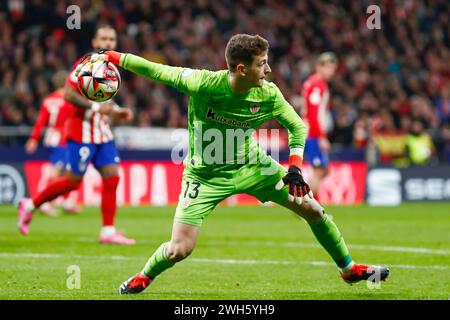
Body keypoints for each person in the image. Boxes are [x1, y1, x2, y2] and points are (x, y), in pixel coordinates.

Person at [79, 34, 389, 294]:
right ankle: (144, 276)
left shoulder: (268, 94)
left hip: (252, 165)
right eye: (262, 64)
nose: (267, 69)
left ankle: (348, 269)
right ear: (241, 69)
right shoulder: (203, 84)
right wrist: (111, 56)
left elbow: (297, 127)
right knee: (179, 249)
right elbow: (156, 70)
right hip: (205, 175)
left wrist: (294, 166)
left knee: (314, 210)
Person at [17, 24, 135, 245]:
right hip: (81, 132)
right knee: (72, 182)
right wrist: (98, 109)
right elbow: (69, 94)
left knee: (112, 177)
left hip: (102, 132)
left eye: (112, 39)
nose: (108, 43)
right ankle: (30, 204)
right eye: (104, 39)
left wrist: (117, 112)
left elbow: (102, 98)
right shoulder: (87, 63)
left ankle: (107, 231)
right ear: (95, 43)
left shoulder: (112, 67)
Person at [25, 70, 81, 216]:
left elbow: (41, 121)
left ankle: (66, 201)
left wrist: (34, 138)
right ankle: (44, 202)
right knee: (58, 170)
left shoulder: (49, 99)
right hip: (64, 137)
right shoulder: (70, 99)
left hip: (53, 137)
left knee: (66, 170)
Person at [301, 52, 338, 199]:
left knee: (324, 170)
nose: (331, 72)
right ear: (319, 67)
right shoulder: (317, 84)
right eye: (329, 68)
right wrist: (321, 137)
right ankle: (308, 206)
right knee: (318, 171)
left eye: (333, 69)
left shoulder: (313, 82)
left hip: (312, 132)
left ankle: (303, 201)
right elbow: (314, 113)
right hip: (313, 134)